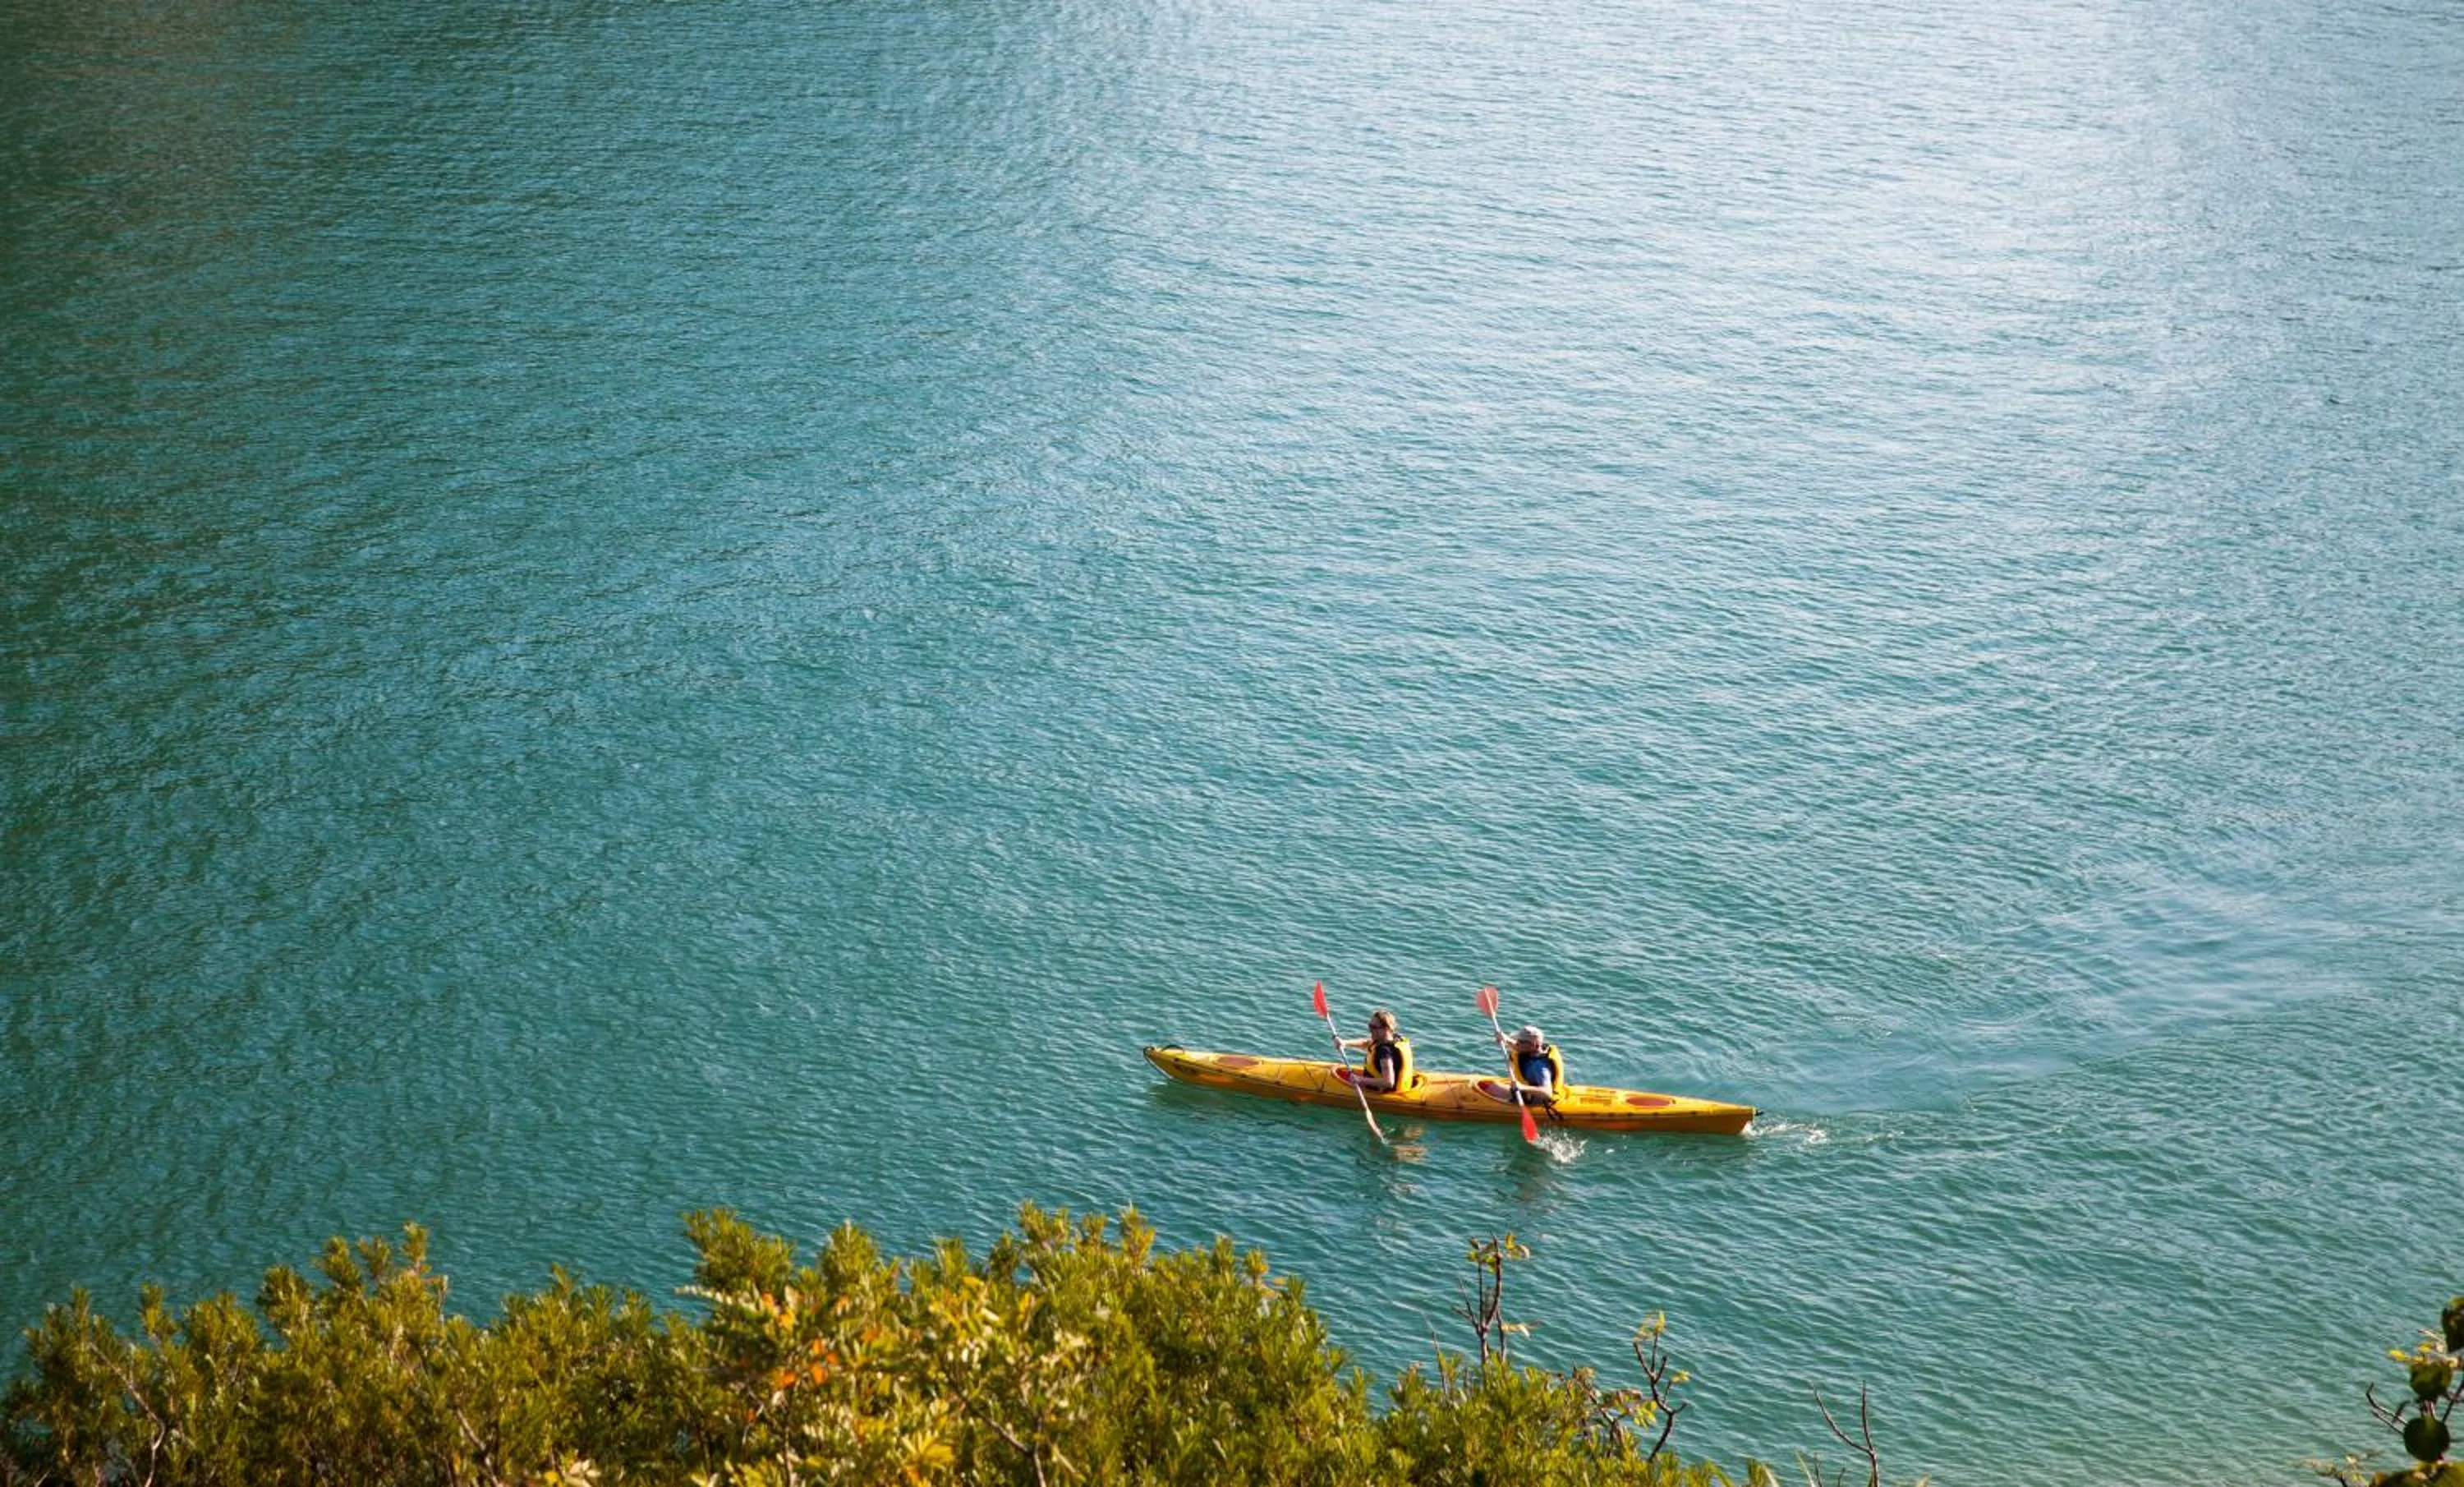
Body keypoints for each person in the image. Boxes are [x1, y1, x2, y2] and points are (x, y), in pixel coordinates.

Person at [1335, 1009, 1418, 1093]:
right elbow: (1367, 1043)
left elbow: (1389, 1082)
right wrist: (1344, 1043)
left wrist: (1360, 1079)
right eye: (1370, 1026)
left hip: (1383, 1092)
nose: (1370, 1030)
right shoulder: (1394, 1038)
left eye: (1374, 1027)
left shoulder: (1385, 1052)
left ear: (1386, 1029)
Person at [1496, 1024, 1564, 1107]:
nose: (1517, 1043)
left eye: (1521, 1041)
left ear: (1534, 1045)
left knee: (1491, 1087)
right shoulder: (1536, 1050)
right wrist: (1506, 1039)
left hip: (1536, 1099)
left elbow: (1547, 1093)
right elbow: (1519, 1047)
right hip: (1528, 1088)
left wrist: (1522, 1087)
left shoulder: (1540, 1067)